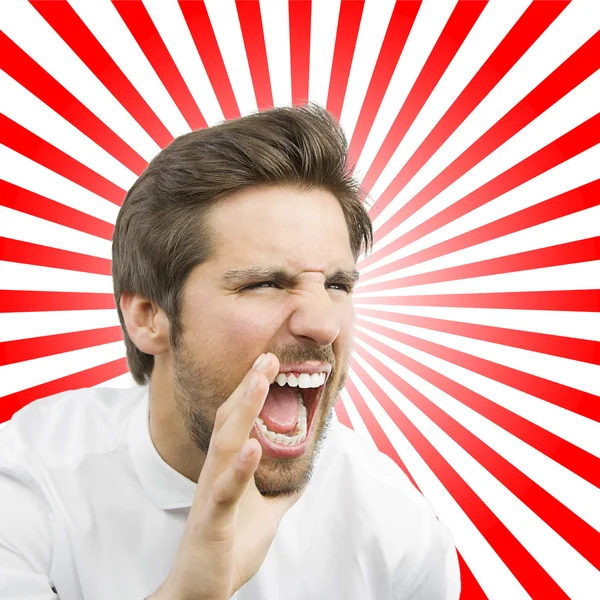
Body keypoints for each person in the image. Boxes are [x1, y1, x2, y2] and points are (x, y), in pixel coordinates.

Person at [0, 105, 460, 599]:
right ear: (149, 317)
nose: (324, 324)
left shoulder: (397, 532)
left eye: (337, 284)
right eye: (264, 283)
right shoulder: (28, 481)